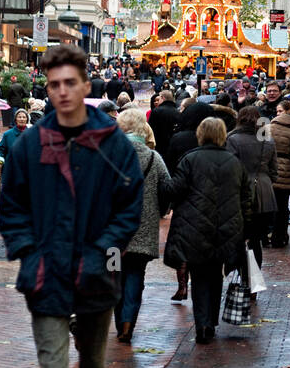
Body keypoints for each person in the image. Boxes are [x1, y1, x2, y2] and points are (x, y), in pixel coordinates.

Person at [0, 44, 143, 368]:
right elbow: (12, 207)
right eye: (54, 84)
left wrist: (103, 252)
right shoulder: (31, 144)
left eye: (69, 83)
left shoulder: (112, 143)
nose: (61, 91)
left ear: (85, 86)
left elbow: (129, 208)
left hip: (97, 277)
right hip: (46, 277)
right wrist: (29, 254)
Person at [163, 117, 253, 344]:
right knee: (215, 274)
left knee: (200, 276)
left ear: (201, 134)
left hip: (195, 228)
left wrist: (162, 183)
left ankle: (203, 323)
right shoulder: (234, 162)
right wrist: (246, 228)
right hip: (227, 228)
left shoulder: (190, 159)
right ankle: (211, 321)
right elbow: (245, 198)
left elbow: (174, 190)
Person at [112, 109, 171, 344]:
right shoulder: (154, 158)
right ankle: (128, 324)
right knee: (135, 276)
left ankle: (119, 323)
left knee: (114, 275)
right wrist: (160, 210)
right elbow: (167, 189)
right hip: (143, 231)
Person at [226, 104, 277, 266]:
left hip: (240, 192)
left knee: (240, 237)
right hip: (265, 192)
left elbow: (230, 168)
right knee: (256, 240)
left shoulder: (232, 139)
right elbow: (274, 170)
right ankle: (255, 279)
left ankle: (243, 278)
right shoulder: (267, 139)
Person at [268, 99, 290, 246]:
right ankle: (280, 236)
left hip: (271, 169)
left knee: (270, 205)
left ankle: (267, 235)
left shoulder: (268, 127)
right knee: (282, 206)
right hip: (286, 170)